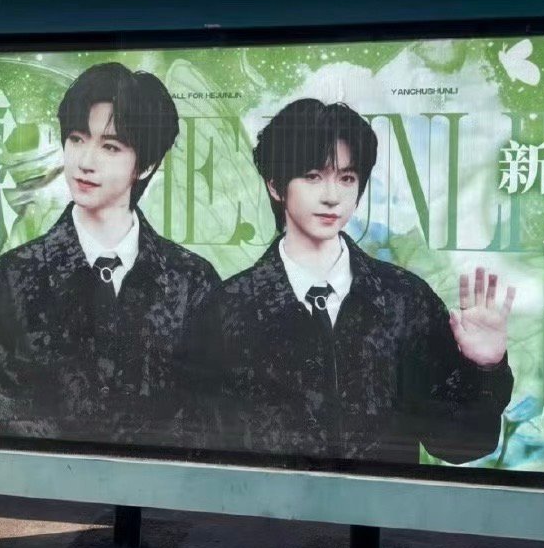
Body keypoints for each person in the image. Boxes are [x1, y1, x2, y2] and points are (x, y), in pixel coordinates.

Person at [197, 98, 514, 465]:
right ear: (275, 186)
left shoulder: (404, 300)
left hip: (380, 502)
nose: (332, 196)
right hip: (271, 503)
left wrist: (484, 369)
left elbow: (459, 445)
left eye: (346, 178)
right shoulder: (228, 308)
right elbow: (206, 448)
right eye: (313, 176)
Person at [0, 62, 218, 448]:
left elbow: (204, 417)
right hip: (52, 484)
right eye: (76, 139)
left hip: (165, 484)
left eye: (110, 146)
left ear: (146, 164)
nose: (85, 161)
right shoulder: (14, 277)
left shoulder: (192, 281)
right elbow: (15, 417)